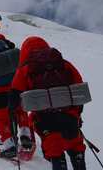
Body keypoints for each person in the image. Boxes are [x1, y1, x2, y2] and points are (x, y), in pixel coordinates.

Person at [10, 36, 87, 170]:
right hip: (69, 117)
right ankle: (78, 159)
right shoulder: (63, 63)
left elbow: (13, 99)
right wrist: (77, 114)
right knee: (75, 145)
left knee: (54, 148)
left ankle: (59, 163)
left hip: (45, 120)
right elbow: (79, 89)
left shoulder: (25, 70)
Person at [0, 34, 33, 158]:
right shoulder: (9, 52)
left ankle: (10, 146)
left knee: (1, 120)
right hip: (13, 89)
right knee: (20, 112)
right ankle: (25, 134)